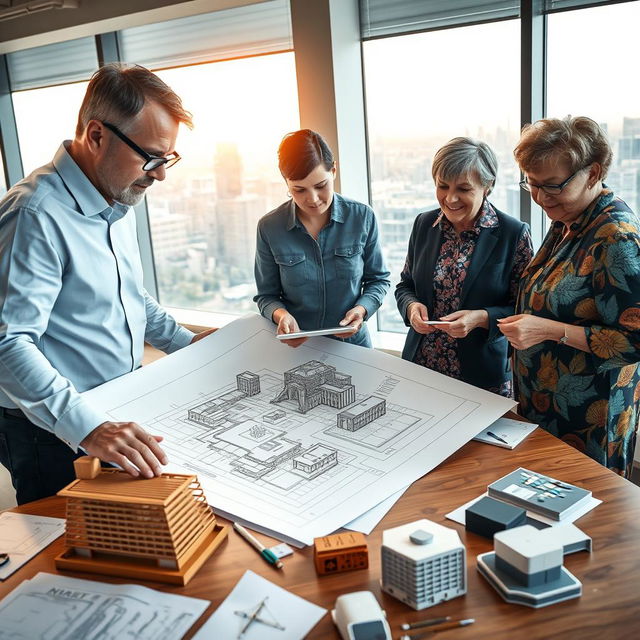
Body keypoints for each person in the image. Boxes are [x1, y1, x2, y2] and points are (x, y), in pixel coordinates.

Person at [0, 64, 213, 504]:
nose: (160, 174)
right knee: (68, 555)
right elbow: (9, 342)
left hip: (116, 410)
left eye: (168, 158)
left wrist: (195, 348)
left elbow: (129, 299)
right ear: (96, 136)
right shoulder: (34, 214)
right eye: (151, 157)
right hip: (53, 431)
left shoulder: (116, 201)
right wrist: (88, 427)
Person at [498, 116, 640, 478]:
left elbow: (636, 341)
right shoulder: (568, 218)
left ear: (592, 174)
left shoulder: (615, 239)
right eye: (532, 184)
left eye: (553, 186)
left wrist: (550, 330)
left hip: (589, 416)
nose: (541, 197)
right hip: (549, 404)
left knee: (584, 514)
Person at [396, 137, 533, 396]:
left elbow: (525, 308)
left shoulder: (513, 234)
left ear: (487, 186)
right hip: (422, 366)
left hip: (482, 376)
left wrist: (481, 318)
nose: (451, 198)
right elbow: (406, 285)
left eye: (464, 189)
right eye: (443, 186)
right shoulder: (424, 224)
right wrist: (412, 307)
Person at [254, 129, 390, 348]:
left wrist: (362, 310)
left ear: (333, 170)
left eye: (321, 186)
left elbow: (378, 280)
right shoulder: (269, 227)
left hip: (354, 346)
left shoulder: (362, 217)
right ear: (286, 182)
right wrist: (281, 316)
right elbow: (266, 296)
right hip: (297, 348)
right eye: (299, 190)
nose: (313, 199)